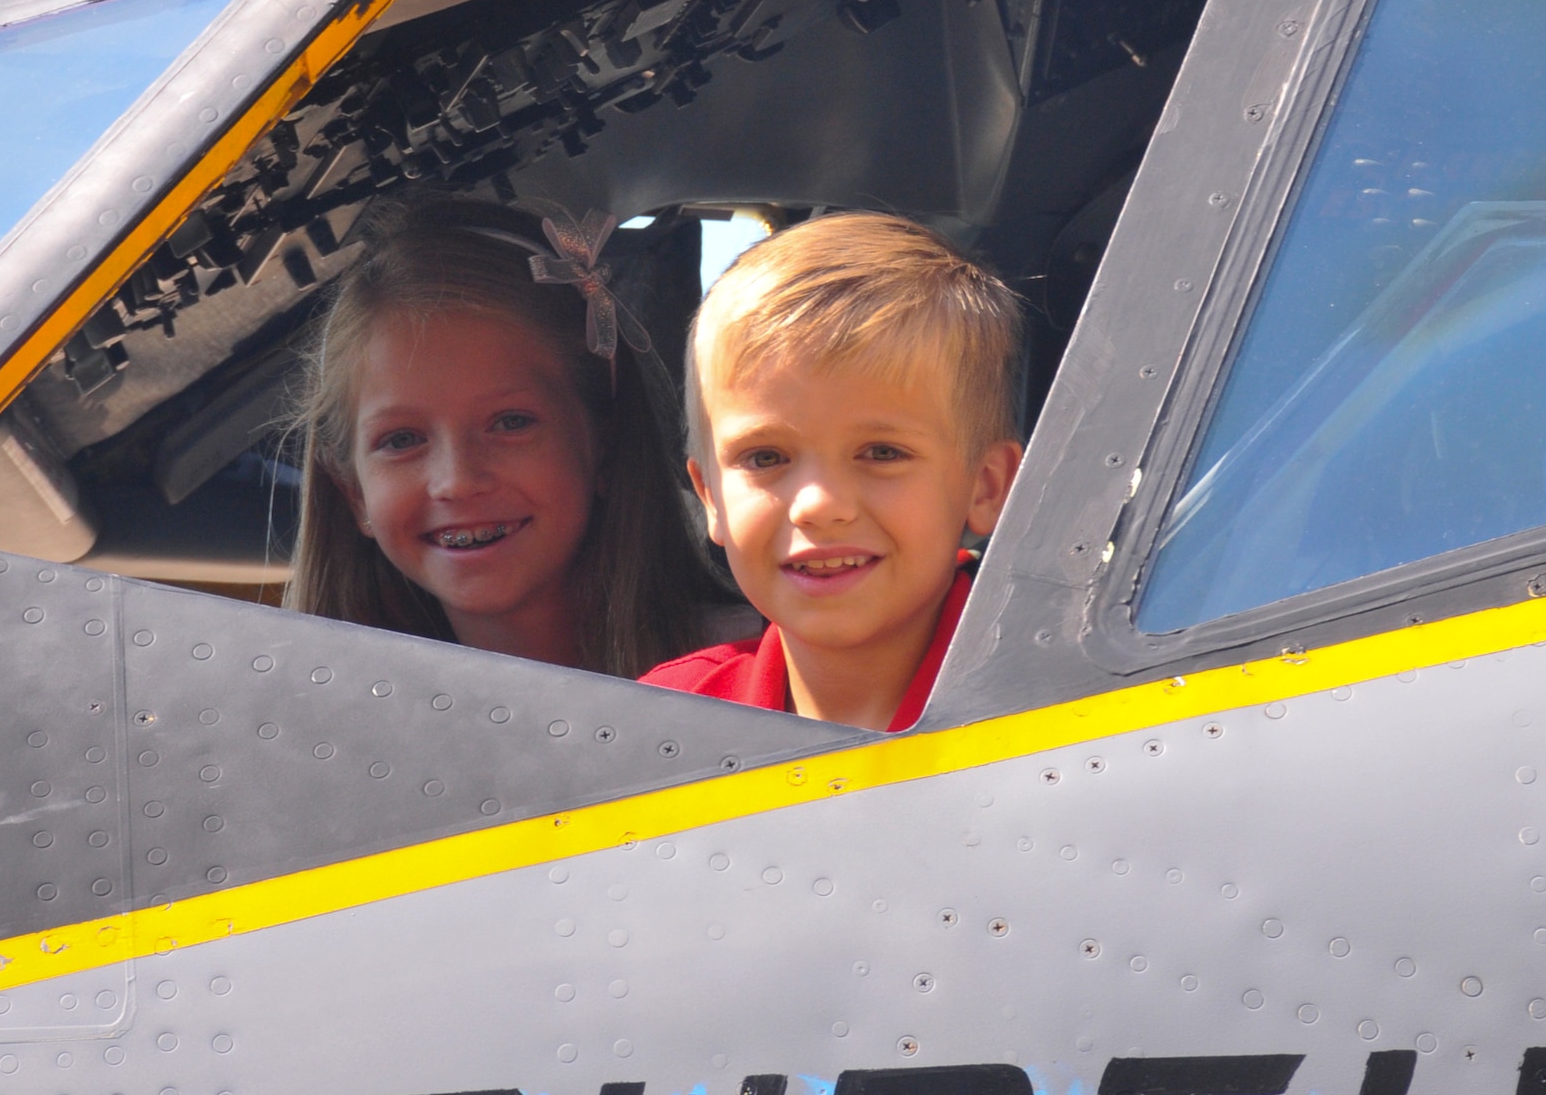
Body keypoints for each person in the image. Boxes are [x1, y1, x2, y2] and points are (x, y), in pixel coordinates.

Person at [286, 190, 723, 676]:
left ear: (604, 445)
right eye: (402, 440)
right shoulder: (329, 726)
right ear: (352, 493)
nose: (457, 480)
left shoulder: (776, 685)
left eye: (510, 423)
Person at [641, 213, 1023, 730]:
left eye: (882, 453)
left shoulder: (1075, 715)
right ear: (710, 496)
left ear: (986, 485)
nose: (818, 505)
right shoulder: (659, 725)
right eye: (765, 458)